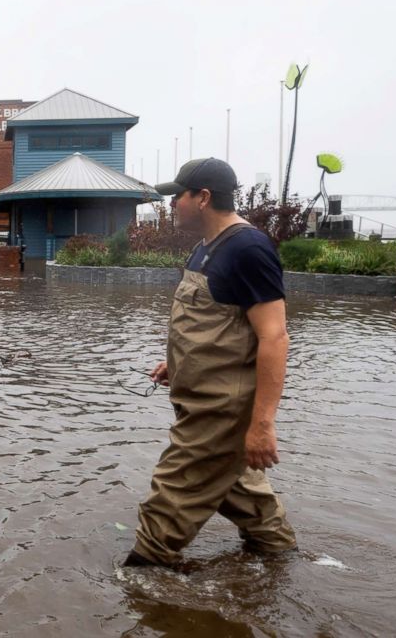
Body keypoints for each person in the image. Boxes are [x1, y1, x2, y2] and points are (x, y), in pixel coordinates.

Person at [124, 158, 296, 567]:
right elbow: (213, 324)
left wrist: (262, 425)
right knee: (244, 493)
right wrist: (176, 363)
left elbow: (274, 337)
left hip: (221, 409)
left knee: (172, 495)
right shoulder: (207, 248)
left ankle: (140, 582)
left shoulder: (247, 249)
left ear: (202, 198)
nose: (170, 204)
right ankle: (281, 563)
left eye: (176, 196)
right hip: (200, 399)